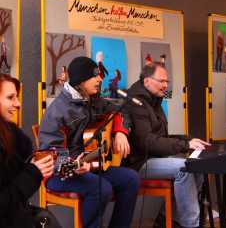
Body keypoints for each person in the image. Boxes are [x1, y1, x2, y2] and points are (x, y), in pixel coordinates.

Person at [38, 56, 140, 228]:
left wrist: (120, 132)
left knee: (131, 179)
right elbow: (50, 153)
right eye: (95, 75)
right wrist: (72, 165)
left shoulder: (94, 99)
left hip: (90, 165)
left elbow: (119, 111)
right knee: (102, 188)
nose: (100, 78)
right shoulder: (57, 112)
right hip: (61, 173)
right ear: (80, 80)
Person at [124, 62, 210, 228]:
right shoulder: (136, 103)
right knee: (184, 168)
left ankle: (170, 219)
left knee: (197, 167)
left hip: (155, 158)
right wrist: (185, 144)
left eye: (167, 82)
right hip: (139, 162)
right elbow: (146, 142)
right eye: (161, 81)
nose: (165, 85)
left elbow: (160, 137)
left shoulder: (155, 100)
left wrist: (188, 139)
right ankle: (190, 224)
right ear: (147, 81)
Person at [0, 73, 54, 228]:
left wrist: (35, 167)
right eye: (10, 97)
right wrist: (32, 172)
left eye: (17, 97)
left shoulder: (11, 135)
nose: (17, 104)